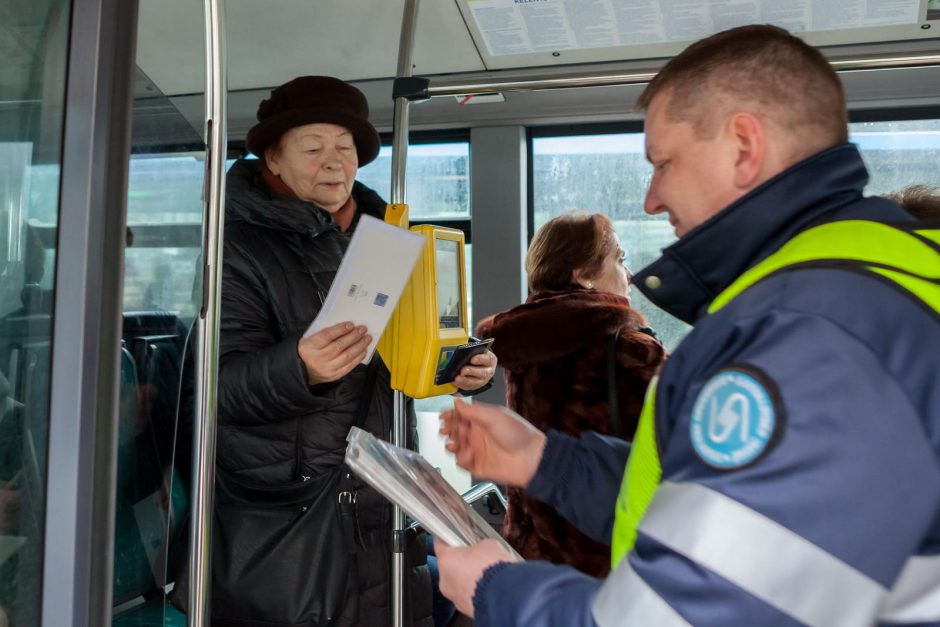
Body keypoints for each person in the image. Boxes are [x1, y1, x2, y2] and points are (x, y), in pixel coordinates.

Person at [433, 25, 940, 626]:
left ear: (744, 147)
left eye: (663, 162)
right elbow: (731, 507)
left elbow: (688, 616)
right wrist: (553, 463)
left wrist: (497, 590)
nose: (650, 198)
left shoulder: (806, 329)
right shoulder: (890, 272)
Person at [216, 75, 497, 626]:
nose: (333, 161)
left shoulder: (389, 238)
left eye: (345, 147)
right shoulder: (234, 247)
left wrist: (462, 366)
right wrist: (298, 369)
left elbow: (410, 344)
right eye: (313, 147)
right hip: (299, 507)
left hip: (386, 487)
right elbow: (215, 388)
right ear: (272, 157)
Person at [475, 212, 665, 577]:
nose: (629, 275)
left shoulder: (522, 343)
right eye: (619, 259)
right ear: (583, 274)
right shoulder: (630, 348)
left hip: (529, 549)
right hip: (603, 557)